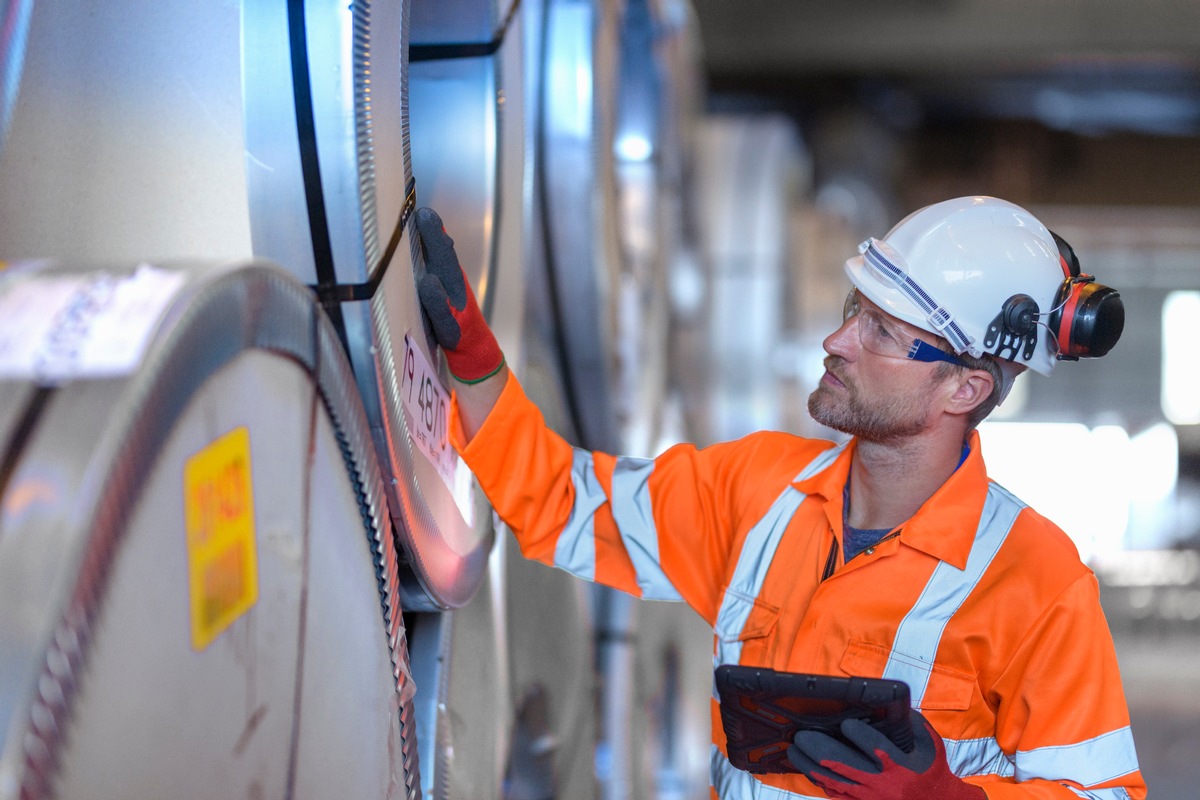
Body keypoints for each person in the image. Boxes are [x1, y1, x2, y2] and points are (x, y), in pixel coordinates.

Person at [415, 196, 1145, 799]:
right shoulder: (757, 488)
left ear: (965, 387)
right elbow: (563, 506)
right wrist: (476, 365)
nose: (837, 339)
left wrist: (949, 799)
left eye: (881, 331)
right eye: (854, 307)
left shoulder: (1038, 582)